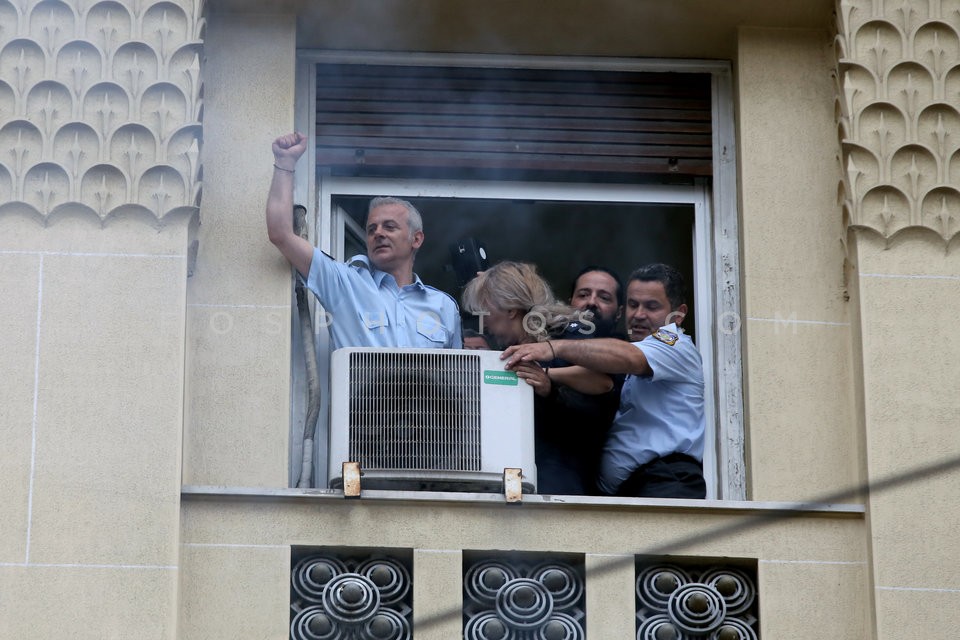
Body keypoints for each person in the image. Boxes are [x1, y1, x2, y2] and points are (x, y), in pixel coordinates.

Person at [501, 263, 706, 499]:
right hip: (629, 490)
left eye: (651, 306)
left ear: (678, 315)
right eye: (633, 304)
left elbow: (629, 357)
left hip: (666, 483)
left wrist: (551, 348)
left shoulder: (673, 342)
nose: (638, 314)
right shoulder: (635, 352)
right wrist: (546, 375)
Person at [266, 132, 462, 350]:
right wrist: (285, 162)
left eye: (389, 226)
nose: (378, 233)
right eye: (371, 229)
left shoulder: (443, 306)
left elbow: (460, 378)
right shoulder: (345, 284)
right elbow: (281, 233)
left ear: (416, 239)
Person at [462, 261, 617, 495]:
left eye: (485, 309)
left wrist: (549, 384)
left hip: (562, 490)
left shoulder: (569, 333)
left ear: (510, 310)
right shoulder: (504, 350)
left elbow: (603, 382)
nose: (483, 321)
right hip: (514, 488)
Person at [569, 266, 625, 339]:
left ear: (618, 313)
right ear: (569, 305)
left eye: (604, 297)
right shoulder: (551, 345)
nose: (592, 302)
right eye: (583, 295)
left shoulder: (632, 349)